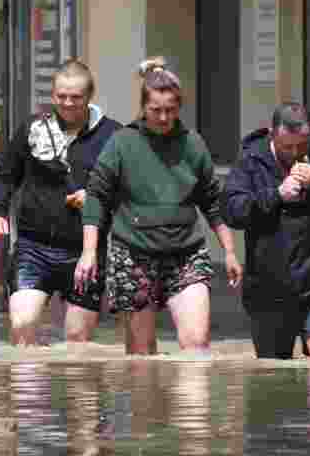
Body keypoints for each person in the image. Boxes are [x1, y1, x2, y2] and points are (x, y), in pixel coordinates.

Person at [77, 56, 243, 355]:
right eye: (156, 110)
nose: (164, 118)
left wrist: (230, 251)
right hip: (133, 254)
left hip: (186, 254)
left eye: (171, 110)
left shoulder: (193, 144)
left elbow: (212, 202)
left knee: (196, 344)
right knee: (142, 355)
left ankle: (190, 404)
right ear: (143, 107)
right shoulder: (122, 143)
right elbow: (96, 196)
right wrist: (89, 252)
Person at [0, 59, 121, 345]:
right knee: (23, 327)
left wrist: (97, 197)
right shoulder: (33, 128)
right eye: (61, 96)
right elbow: (4, 176)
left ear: (90, 96)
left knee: (77, 341)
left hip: (85, 252)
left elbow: (128, 189)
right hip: (33, 248)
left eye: (76, 97)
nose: (68, 103)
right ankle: (29, 387)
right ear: (52, 95)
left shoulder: (113, 135)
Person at [221, 102, 310, 359]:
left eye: (302, 145)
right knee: (273, 379)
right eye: (288, 147)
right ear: (271, 134)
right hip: (268, 291)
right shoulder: (251, 161)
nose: (296, 152)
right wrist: (276, 195)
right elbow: (232, 210)